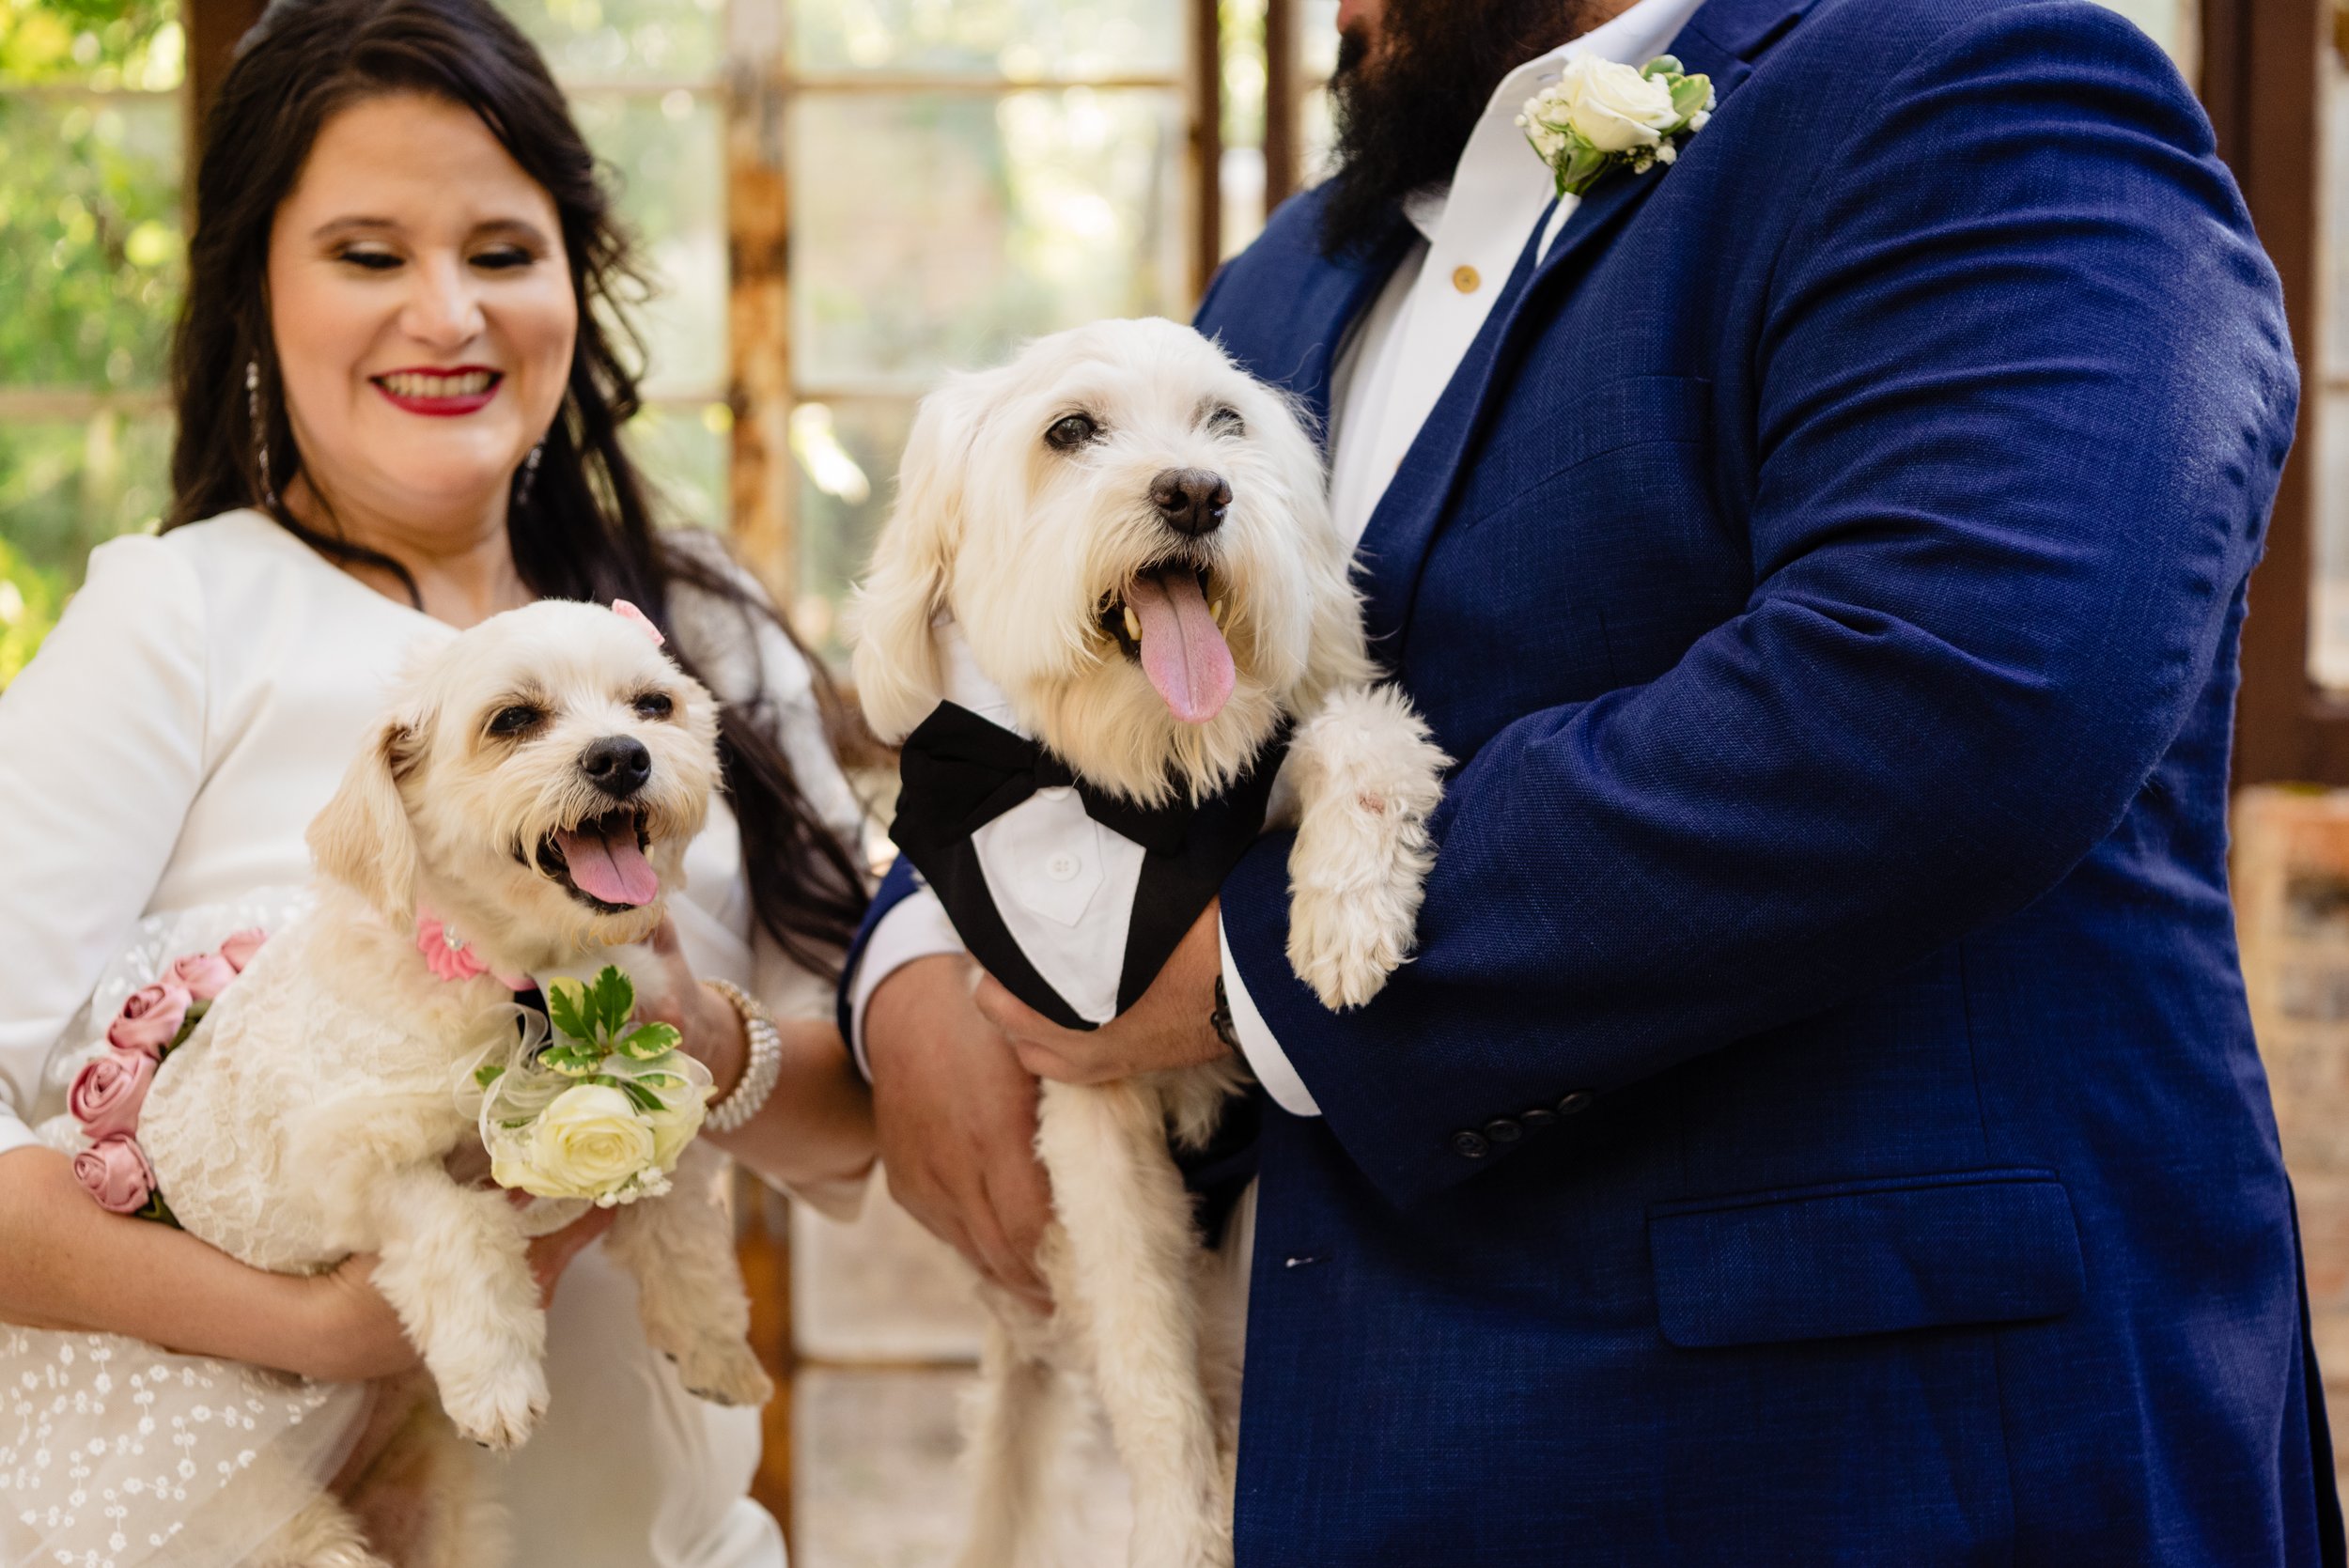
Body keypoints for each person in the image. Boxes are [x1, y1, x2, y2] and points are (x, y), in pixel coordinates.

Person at [848, 0, 2344, 1560]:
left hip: (1870, 1462)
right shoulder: (1290, 278)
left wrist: (1239, 977)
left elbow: (1957, 684)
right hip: (1353, 1471)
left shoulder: (1981, 103)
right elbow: (1067, 672)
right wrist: (920, 967)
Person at [0, 0, 876, 1562]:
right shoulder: (179, 616)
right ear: (256, 285)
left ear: (574, 271)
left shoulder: (699, 632)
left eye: (497, 249)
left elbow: (869, 1116)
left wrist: (706, 1041)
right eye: (366, 254)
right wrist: (330, 1327)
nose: (446, 314)